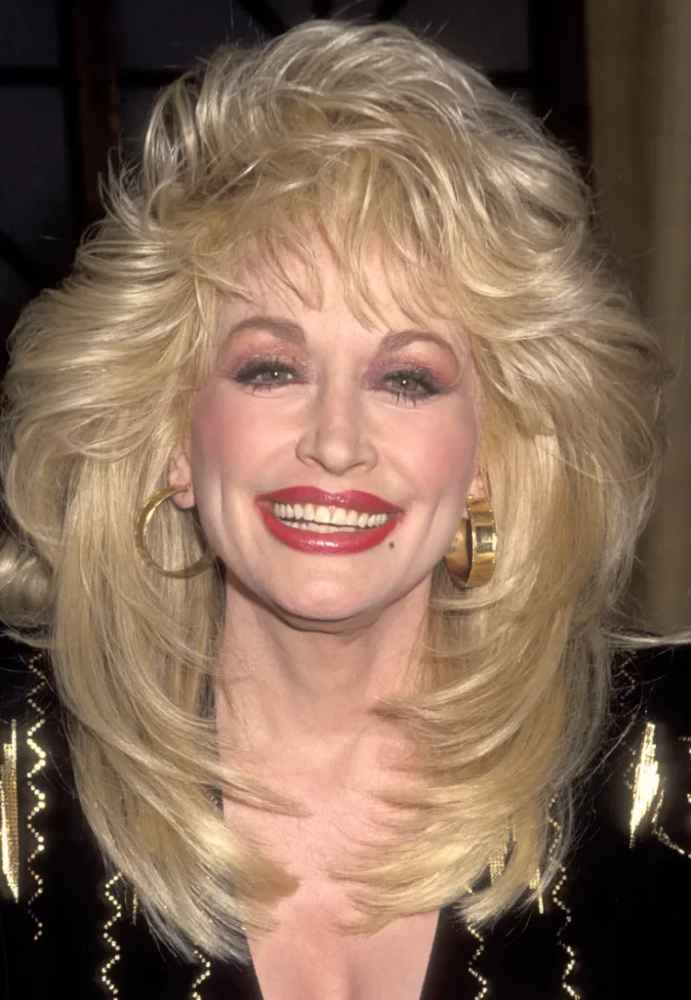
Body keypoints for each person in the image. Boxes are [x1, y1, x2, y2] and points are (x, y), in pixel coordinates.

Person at [0, 18, 688, 1000]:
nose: (334, 442)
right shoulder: (16, 771)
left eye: (406, 379)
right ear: (173, 440)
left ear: (489, 457)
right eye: (271, 368)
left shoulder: (664, 762)